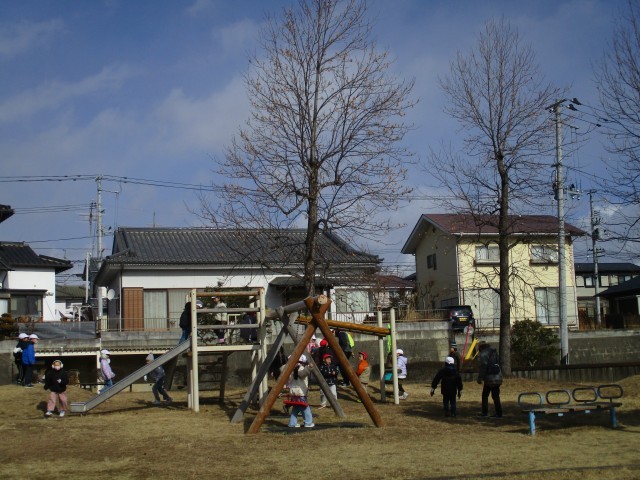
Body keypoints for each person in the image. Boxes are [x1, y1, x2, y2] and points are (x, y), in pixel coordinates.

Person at [284, 354, 315, 428]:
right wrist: (309, 367)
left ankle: (292, 423)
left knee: (296, 407)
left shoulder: (290, 369)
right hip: (300, 392)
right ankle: (308, 423)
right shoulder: (300, 368)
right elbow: (302, 374)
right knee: (305, 408)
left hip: (293, 392)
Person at [477, 341, 503, 418]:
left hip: (489, 378)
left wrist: (480, 378)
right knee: (496, 396)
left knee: (485, 395)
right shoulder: (494, 352)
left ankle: (485, 412)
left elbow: (483, 367)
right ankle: (499, 413)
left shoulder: (483, 354)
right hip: (498, 376)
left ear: (480, 347)